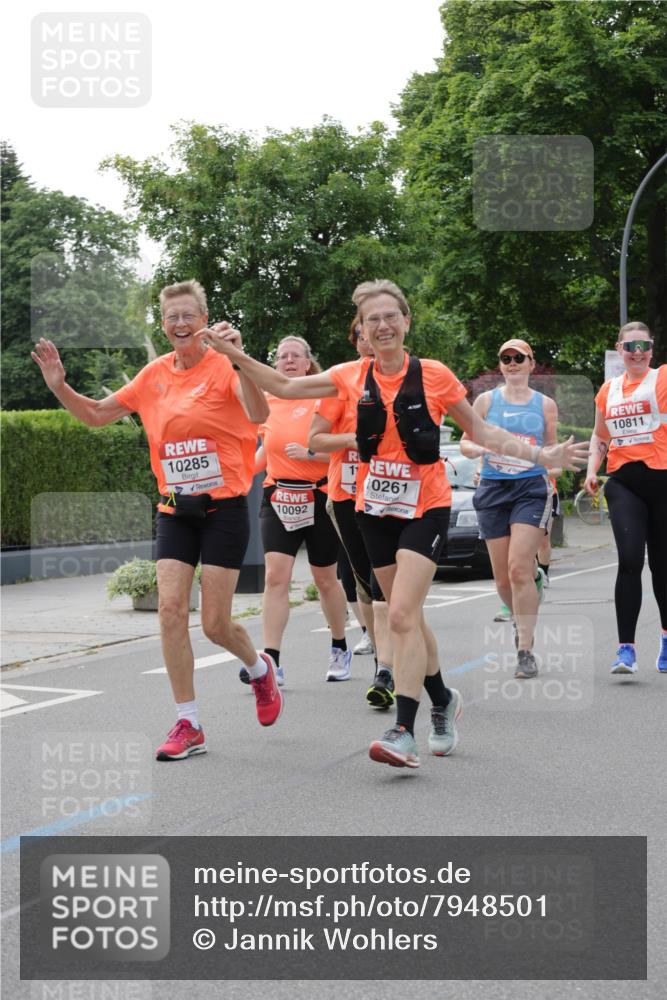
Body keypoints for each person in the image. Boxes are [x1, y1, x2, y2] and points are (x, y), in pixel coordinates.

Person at [199, 281, 587, 769]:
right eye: (371, 320)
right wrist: (235, 354)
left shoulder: (435, 375)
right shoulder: (349, 375)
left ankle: (403, 729)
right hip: (373, 510)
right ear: (361, 330)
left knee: (400, 614)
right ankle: (443, 698)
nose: (382, 326)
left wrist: (539, 453)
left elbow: (481, 431)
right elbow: (283, 387)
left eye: (390, 317)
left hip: (425, 506)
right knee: (409, 618)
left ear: (406, 322)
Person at [31, 279, 283, 762]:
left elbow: (259, 410)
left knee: (214, 623)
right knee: (169, 611)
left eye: (190, 315)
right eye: (173, 317)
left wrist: (240, 360)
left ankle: (260, 670)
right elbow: (98, 415)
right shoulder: (154, 375)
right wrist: (60, 386)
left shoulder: (226, 366)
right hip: (174, 508)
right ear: (163, 324)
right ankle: (189, 721)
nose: (181, 324)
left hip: (225, 508)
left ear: (204, 319)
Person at [240, 335, 351, 685]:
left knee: (325, 579)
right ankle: (271, 659)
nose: (288, 361)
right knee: (275, 577)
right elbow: (265, 454)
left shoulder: (325, 397)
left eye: (295, 356)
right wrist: (240, 477)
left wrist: (311, 455)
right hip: (278, 497)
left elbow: (343, 451)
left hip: (319, 496)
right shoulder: (268, 401)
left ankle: (339, 645)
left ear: (307, 364)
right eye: (281, 356)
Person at [309, 318, 395, 709]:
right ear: (357, 340)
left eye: (376, 329)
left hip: (392, 493)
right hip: (345, 494)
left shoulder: (403, 376)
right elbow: (315, 440)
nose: (370, 337)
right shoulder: (340, 381)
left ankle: (389, 669)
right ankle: (383, 658)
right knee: (362, 581)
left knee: (384, 587)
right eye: (361, 333)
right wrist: (358, 440)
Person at [460, 339, 558, 679]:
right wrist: (473, 448)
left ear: (532, 363)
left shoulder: (545, 405)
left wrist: (555, 466)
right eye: (506, 358)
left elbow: (552, 448)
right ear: (500, 365)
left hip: (531, 487)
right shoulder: (486, 401)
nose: (513, 362)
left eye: (519, 357)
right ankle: (521, 614)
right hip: (493, 488)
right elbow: (465, 438)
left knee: (518, 568)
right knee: (502, 577)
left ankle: (525, 649)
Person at [584, 321, 667, 675]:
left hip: (662, 483)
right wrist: (591, 469)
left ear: (652, 349)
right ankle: (626, 650)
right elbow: (600, 436)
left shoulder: (662, 378)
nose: (637, 352)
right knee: (630, 561)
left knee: (662, 566)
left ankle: (665, 640)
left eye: (644, 345)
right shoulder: (608, 390)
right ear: (619, 349)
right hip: (624, 484)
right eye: (630, 346)